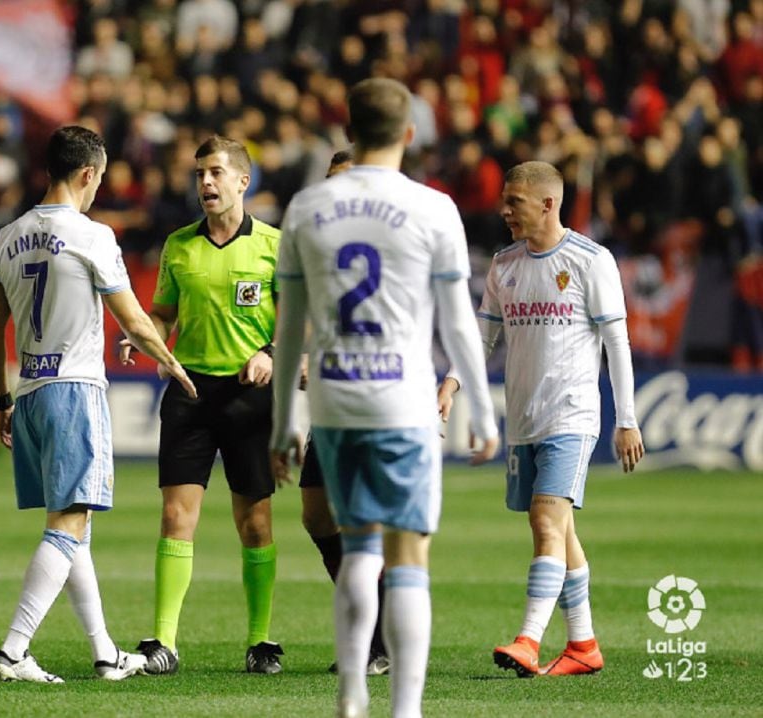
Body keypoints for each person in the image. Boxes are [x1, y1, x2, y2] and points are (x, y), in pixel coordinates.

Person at [270, 78, 500, 718]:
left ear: (348, 130)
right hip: (403, 400)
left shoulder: (307, 208)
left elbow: (291, 328)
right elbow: (457, 321)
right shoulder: (434, 209)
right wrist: (482, 406)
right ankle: (404, 710)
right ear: (408, 134)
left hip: (336, 402)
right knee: (407, 555)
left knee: (358, 547)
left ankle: (351, 698)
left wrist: (287, 421)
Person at [0, 125, 198, 684]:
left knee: (74, 526)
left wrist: (2, 398)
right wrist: (172, 364)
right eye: (99, 177)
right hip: (75, 389)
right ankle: (13, 651)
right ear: (86, 174)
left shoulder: (7, 237)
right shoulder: (93, 236)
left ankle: (105, 653)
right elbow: (134, 320)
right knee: (68, 524)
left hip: (27, 390)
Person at [440, 160, 645, 678]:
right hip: (524, 418)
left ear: (549, 204)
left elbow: (617, 342)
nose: (504, 210)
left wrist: (628, 418)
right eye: (505, 200)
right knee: (560, 530)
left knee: (545, 521)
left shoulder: (589, 261)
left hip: (571, 415)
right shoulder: (505, 263)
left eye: (515, 202)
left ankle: (528, 640)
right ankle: (583, 646)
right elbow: (484, 337)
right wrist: (452, 381)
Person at [119, 135, 284, 675]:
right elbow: (164, 312)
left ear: (243, 180)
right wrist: (147, 336)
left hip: (249, 396)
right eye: (199, 175)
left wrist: (271, 352)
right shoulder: (178, 246)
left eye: (216, 173)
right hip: (189, 391)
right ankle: (163, 641)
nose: (205, 183)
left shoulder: (276, 247)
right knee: (174, 516)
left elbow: (301, 322)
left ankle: (261, 641)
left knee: (255, 523)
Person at [296, 148, 390, 677]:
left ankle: (377, 641)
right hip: (329, 401)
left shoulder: (390, 240)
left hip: (370, 398)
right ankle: (374, 625)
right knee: (315, 513)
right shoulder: (323, 243)